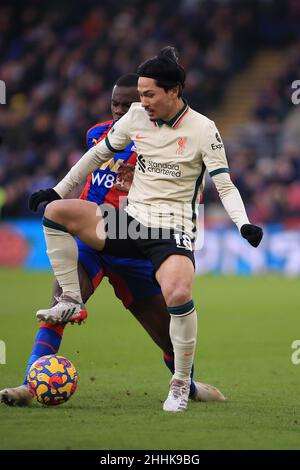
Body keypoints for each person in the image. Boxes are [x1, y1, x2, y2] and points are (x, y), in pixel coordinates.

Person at [27, 47, 263, 412]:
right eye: (140, 94)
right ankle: (71, 300)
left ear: (173, 91)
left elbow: (225, 184)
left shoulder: (203, 129)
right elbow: (97, 155)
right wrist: (56, 190)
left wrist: (243, 223)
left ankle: (181, 384)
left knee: (178, 294)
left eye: (149, 94)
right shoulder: (136, 117)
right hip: (129, 222)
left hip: (172, 229)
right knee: (57, 213)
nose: (142, 102)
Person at [0, 73, 224, 407]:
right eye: (114, 103)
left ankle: (187, 385)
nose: (118, 110)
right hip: (96, 242)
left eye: (127, 103)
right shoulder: (98, 134)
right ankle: (30, 384)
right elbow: (90, 174)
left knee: (168, 337)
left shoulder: (164, 141)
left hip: (136, 245)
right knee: (62, 303)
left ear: (147, 102)